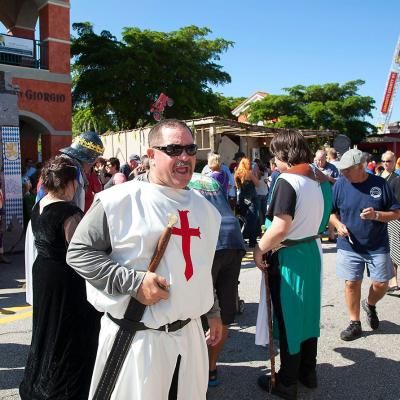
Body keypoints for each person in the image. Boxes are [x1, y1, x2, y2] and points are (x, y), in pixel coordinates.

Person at [66, 119, 222, 400]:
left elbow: (199, 268)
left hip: (190, 340)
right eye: (173, 149)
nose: (185, 157)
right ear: (151, 155)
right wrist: (134, 282)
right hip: (138, 342)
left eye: (190, 149)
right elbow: (79, 252)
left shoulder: (207, 211)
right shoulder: (117, 201)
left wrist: (213, 312)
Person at [253, 131, 332, 400]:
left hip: (291, 255)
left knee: (290, 320)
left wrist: (258, 248)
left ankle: (287, 381)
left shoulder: (287, 181)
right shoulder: (319, 180)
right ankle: (307, 372)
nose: (274, 161)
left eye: (275, 155)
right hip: (311, 250)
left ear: (285, 155)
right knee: (308, 313)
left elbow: (280, 227)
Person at [19, 156, 101, 400]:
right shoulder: (69, 212)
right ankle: (64, 388)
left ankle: (38, 380)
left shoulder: (39, 204)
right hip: (65, 279)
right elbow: (78, 252)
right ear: (69, 183)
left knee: (46, 328)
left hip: (43, 272)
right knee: (70, 331)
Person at [329, 149, 400, 342]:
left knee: (381, 284)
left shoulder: (380, 184)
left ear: (361, 167)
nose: (343, 173)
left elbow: (396, 213)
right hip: (349, 244)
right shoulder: (340, 185)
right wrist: (338, 225)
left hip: (376, 244)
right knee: (351, 283)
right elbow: (331, 213)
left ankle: (369, 303)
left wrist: (376, 215)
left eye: (347, 169)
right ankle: (355, 322)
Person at [188, 172, 246, 387]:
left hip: (211, 238)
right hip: (233, 238)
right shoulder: (210, 180)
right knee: (225, 309)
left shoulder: (181, 180)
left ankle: (198, 371)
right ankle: (211, 369)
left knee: (202, 308)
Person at [380, 151, 400, 293]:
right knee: (384, 248)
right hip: (379, 218)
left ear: (394, 163)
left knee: (393, 249)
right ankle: (387, 280)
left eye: (389, 161)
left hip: (393, 218)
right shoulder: (378, 178)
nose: (387, 164)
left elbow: (397, 202)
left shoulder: (397, 179)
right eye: (385, 161)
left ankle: (393, 281)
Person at [235, 157, 260, 248]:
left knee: (243, 221)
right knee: (252, 221)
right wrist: (256, 175)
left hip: (242, 199)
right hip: (252, 199)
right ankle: (252, 241)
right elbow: (258, 184)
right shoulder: (249, 174)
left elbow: (237, 187)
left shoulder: (237, 174)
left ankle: (240, 239)